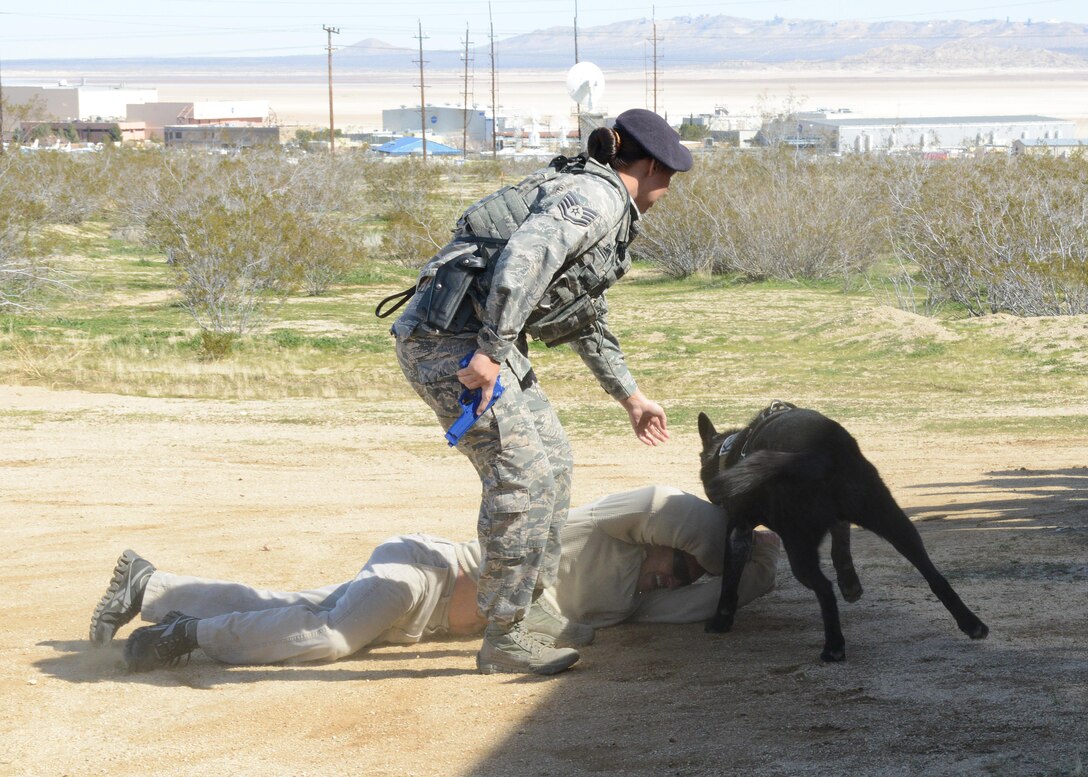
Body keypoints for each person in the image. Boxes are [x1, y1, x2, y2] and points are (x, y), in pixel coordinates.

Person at [386, 109, 694, 674]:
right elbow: (525, 262)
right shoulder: (594, 200)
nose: (668, 190)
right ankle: (504, 634)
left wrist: (631, 397)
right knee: (520, 478)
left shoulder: (600, 200)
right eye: (669, 175)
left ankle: (530, 611)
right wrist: (490, 352)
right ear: (650, 166)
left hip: (480, 344)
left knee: (552, 460)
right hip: (449, 346)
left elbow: (582, 316)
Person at [89, 485, 780, 674]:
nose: (674, 580)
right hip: (426, 571)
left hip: (413, 621)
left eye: (685, 577)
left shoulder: (630, 605)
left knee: (295, 609)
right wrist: (722, 536)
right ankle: (188, 635)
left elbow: (744, 589)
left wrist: (759, 542)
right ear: (669, 542)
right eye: (679, 564)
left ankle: (149, 587)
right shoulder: (605, 522)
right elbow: (674, 506)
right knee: (328, 635)